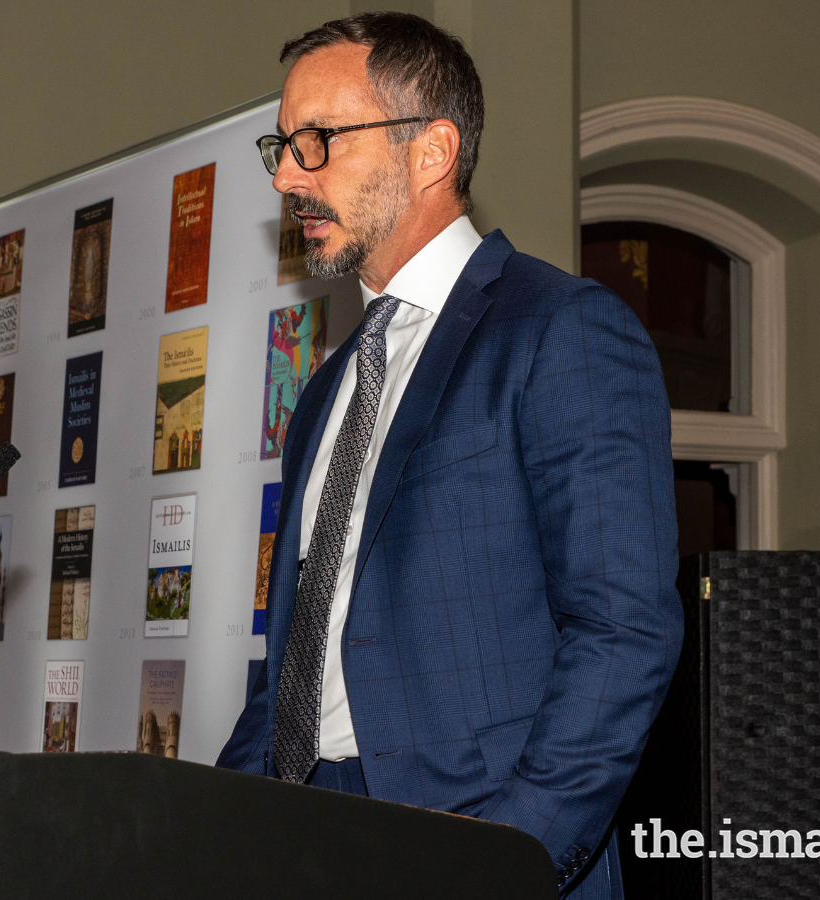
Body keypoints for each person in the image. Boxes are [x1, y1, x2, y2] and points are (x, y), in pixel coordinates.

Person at [216, 13, 683, 898]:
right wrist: (212, 829)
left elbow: (624, 632)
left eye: (317, 142)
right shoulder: (324, 393)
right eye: (282, 144)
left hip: (475, 839)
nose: (285, 174)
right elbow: (296, 662)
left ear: (431, 151)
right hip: (304, 836)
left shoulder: (560, 332)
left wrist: (509, 854)